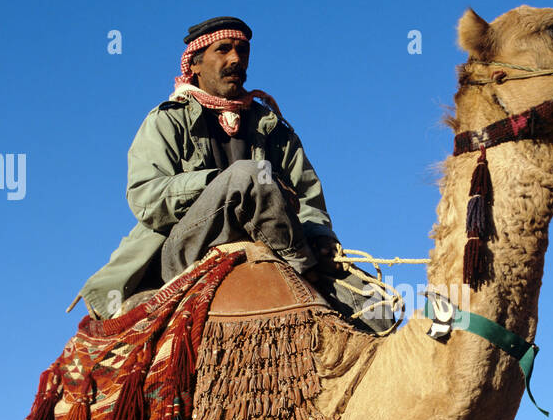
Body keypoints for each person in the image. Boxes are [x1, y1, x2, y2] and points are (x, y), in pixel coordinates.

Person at [71, 16, 392, 328]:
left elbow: (308, 199)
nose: (236, 59)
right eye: (223, 49)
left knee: (379, 307)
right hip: (185, 247)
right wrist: (220, 183)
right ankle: (303, 272)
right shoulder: (167, 120)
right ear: (194, 64)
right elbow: (146, 197)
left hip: (275, 241)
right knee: (250, 176)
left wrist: (320, 236)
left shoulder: (274, 129)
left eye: (243, 50)